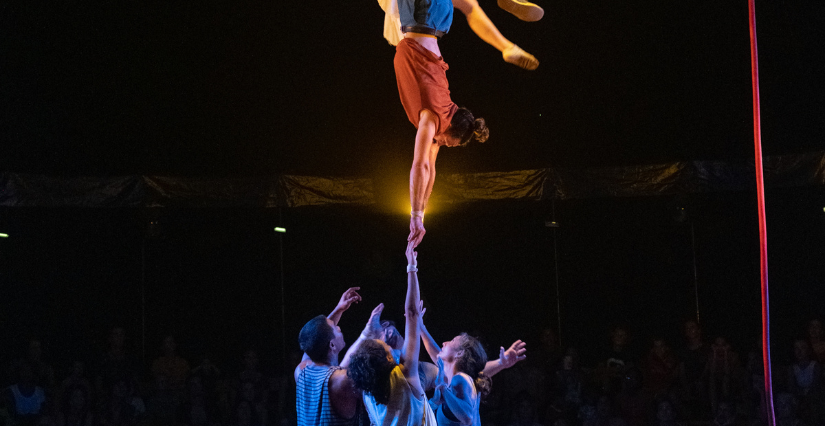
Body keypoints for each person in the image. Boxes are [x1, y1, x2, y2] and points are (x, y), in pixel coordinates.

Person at [347, 242, 433, 426]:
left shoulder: (367, 389)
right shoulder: (406, 377)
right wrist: (411, 266)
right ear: (388, 359)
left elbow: (346, 365)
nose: (384, 337)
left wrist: (366, 333)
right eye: (384, 343)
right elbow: (411, 313)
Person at [294, 287, 383, 426]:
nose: (339, 327)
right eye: (336, 328)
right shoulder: (343, 381)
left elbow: (313, 340)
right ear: (332, 346)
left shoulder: (301, 371)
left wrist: (339, 309)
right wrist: (368, 335)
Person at [418, 313, 492, 426]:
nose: (444, 343)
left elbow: (468, 417)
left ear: (460, 353)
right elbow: (438, 357)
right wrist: (421, 328)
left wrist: (443, 388)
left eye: (452, 341)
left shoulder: (460, 379)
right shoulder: (460, 381)